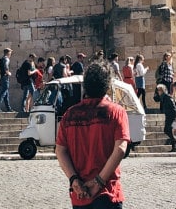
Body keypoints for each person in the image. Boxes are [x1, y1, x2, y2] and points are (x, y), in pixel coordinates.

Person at [55, 60, 130, 208]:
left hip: (80, 194)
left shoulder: (69, 115)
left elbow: (60, 150)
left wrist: (74, 180)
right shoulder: (116, 112)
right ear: (107, 85)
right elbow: (120, 148)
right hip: (107, 193)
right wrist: (99, 182)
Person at [156, 82, 176, 151]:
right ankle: (174, 147)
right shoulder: (163, 97)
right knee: (169, 131)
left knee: (167, 130)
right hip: (168, 115)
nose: (158, 92)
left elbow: (173, 107)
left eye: (159, 90)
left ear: (162, 90)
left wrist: (175, 117)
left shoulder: (167, 97)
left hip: (171, 116)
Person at [0, 48, 12, 112]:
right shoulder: (6, 59)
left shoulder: (1, 59)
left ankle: (8, 108)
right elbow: (6, 66)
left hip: (1, 77)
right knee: (3, 93)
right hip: (5, 77)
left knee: (6, 94)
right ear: (8, 53)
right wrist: (8, 72)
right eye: (10, 53)